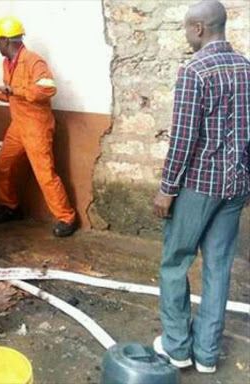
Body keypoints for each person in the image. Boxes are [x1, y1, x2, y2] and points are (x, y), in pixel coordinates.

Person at [152, 0, 250, 373]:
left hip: (198, 186)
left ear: (198, 29)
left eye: (185, 29)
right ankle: (207, 354)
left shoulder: (195, 71)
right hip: (236, 185)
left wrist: (167, 188)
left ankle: (178, 347)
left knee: (175, 261)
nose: (185, 36)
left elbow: (183, 139)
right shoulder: (246, 68)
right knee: (219, 265)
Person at [0, 16, 78, 237]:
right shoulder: (7, 63)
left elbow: (47, 90)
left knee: (45, 174)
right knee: (2, 166)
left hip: (37, 127)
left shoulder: (33, 61)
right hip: (18, 126)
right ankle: (10, 207)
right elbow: (8, 96)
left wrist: (15, 91)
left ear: (6, 40)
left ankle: (66, 217)